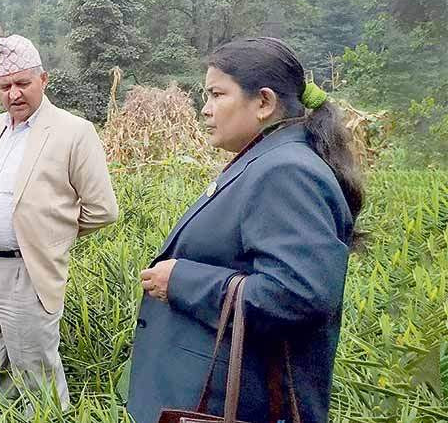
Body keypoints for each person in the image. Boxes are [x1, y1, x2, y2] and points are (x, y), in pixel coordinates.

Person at [127, 37, 364, 422]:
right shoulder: (266, 159)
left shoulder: (287, 171)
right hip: (206, 391)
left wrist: (182, 281)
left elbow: (298, 295)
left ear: (264, 102)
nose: (205, 110)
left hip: (233, 402)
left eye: (216, 94)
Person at [0, 35, 119, 410]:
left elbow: (103, 209)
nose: (14, 94)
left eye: (23, 83)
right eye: (5, 86)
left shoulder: (73, 131)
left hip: (27, 269)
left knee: (35, 370)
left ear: (43, 80)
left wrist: (47, 236)